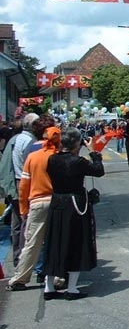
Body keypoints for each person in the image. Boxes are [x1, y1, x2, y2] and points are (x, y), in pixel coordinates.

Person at [44, 127, 105, 300]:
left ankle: (49, 287)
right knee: (76, 242)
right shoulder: (78, 162)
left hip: (57, 202)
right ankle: (72, 288)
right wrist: (93, 152)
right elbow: (98, 171)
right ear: (77, 143)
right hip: (75, 203)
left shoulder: (52, 159)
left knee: (55, 242)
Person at [5, 126, 60, 292]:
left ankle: (19, 278)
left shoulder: (33, 157)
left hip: (37, 203)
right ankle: (58, 277)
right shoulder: (59, 157)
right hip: (57, 203)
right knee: (57, 241)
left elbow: (23, 187)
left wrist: (23, 209)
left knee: (32, 243)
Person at [0, 113, 38, 269]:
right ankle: (25, 259)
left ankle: (18, 258)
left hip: (15, 181)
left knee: (17, 223)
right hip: (24, 182)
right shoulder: (30, 142)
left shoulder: (15, 139)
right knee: (26, 222)